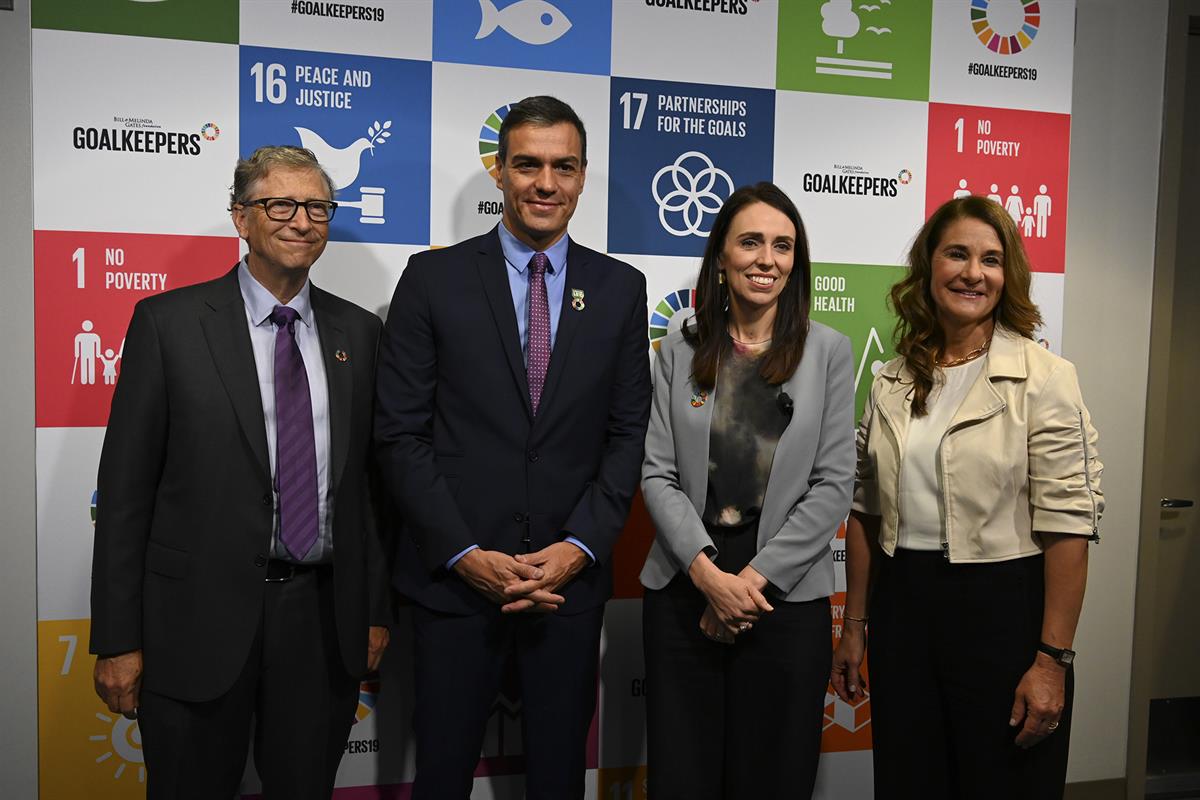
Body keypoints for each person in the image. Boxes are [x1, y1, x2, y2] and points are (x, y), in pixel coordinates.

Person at [90, 145, 391, 799]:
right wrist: (116, 640)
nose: (301, 220)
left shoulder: (360, 333)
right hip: (193, 623)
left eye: (317, 206)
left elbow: (369, 489)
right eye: (278, 204)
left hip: (321, 625)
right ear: (240, 217)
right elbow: (123, 496)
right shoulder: (168, 325)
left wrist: (373, 611)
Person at [375, 95, 651, 799]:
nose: (545, 183)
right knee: (440, 775)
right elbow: (400, 434)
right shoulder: (432, 279)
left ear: (584, 176)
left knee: (559, 779)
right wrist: (465, 556)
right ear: (499, 172)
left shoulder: (621, 289)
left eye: (563, 166)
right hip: (453, 584)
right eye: (527, 164)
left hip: (567, 587)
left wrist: (577, 548)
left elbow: (627, 437)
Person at [831, 195, 1103, 800]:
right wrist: (855, 625)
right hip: (904, 615)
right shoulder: (892, 378)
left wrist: (1052, 660)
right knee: (910, 781)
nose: (972, 272)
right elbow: (866, 511)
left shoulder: (1046, 377)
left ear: (1009, 277)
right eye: (956, 253)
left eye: (990, 259)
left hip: (1004, 617)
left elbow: (1070, 527)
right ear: (929, 266)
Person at [640, 182, 855, 798]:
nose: (767, 259)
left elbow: (834, 482)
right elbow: (655, 472)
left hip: (781, 597)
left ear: (796, 262)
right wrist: (709, 578)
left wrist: (748, 585)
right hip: (685, 586)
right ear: (721, 257)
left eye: (783, 246)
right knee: (684, 777)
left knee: (775, 779)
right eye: (751, 242)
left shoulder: (829, 352)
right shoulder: (678, 348)